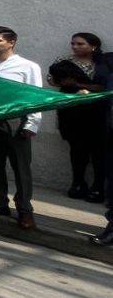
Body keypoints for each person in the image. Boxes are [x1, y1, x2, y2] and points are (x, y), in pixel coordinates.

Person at [0, 26, 44, 230]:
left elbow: (35, 97)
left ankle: (25, 210)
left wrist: (32, 123)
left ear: (11, 42)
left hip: (15, 122)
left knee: (21, 168)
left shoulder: (28, 66)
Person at [47, 32, 109, 202]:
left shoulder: (104, 63)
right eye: (73, 43)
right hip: (73, 112)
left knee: (99, 151)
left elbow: (105, 85)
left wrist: (78, 85)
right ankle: (78, 183)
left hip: (99, 112)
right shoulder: (64, 60)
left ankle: (98, 187)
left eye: (80, 44)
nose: (75, 47)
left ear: (93, 46)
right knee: (77, 149)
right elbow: (52, 79)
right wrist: (65, 84)